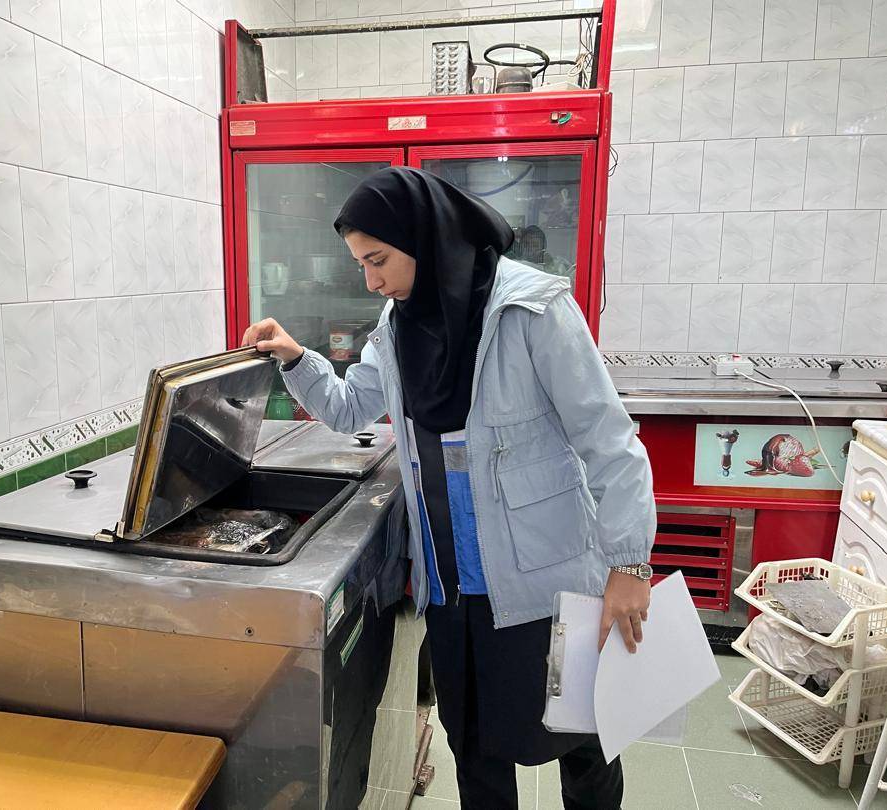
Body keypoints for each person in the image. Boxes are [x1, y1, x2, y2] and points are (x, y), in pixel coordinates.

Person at [242, 167, 656, 810]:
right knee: (476, 749)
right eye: (361, 264)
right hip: (451, 584)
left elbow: (610, 442)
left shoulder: (532, 310)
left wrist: (629, 564)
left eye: (378, 260)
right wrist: (297, 359)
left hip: (542, 577)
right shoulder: (399, 323)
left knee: (584, 737)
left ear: (423, 238)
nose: (371, 281)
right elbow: (351, 408)